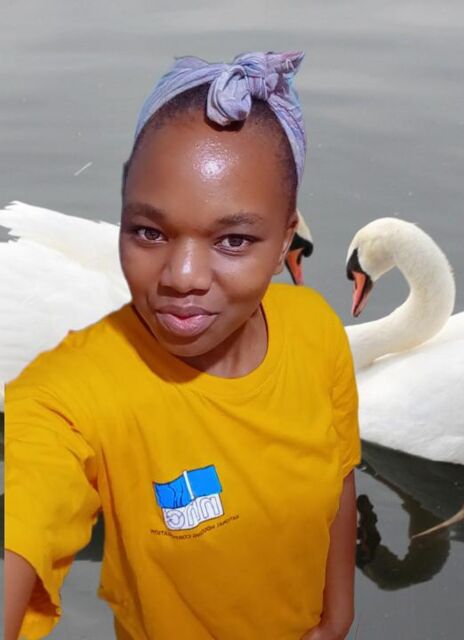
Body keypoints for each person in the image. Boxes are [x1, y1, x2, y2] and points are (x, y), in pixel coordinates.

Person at [4, 51, 361, 640]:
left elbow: (341, 474)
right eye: (149, 232)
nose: (182, 277)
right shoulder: (70, 396)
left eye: (234, 240)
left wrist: (337, 618)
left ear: (285, 243)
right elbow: (22, 522)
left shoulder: (316, 329)